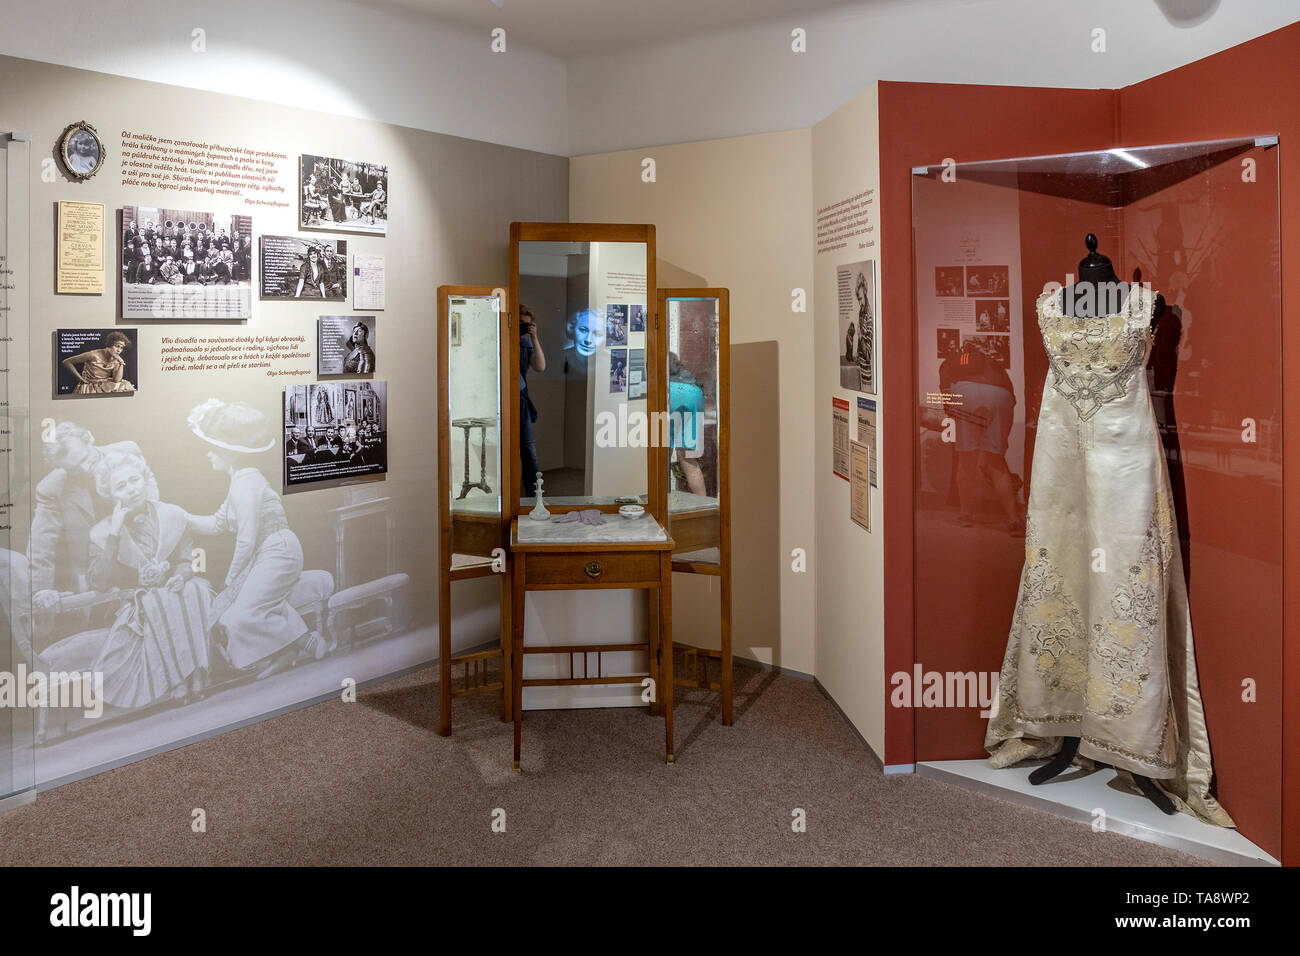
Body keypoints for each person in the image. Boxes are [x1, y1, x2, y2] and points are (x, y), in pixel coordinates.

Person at [184, 399, 325, 679]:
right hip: (266, 553)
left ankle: (305, 642)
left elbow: (246, 539)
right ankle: (282, 652)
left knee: (239, 615)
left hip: (278, 551)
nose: (209, 454)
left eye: (214, 448)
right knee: (228, 615)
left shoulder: (247, 481)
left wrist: (230, 578)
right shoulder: (238, 481)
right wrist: (177, 515)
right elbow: (216, 523)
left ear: (230, 453)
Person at [87, 450, 214, 707]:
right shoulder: (101, 533)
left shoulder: (172, 514)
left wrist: (181, 575)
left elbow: (186, 560)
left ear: (144, 480)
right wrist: (114, 532)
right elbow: (99, 582)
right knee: (158, 601)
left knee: (194, 590)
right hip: (133, 605)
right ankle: (177, 679)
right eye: (121, 486)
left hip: (173, 592)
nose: (131, 489)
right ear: (111, 496)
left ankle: (198, 673)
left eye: (134, 480)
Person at [29, 423, 156, 615]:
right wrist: (41, 589)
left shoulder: (128, 451)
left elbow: (152, 493)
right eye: (74, 468)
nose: (86, 469)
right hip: (98, 573)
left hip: (147, 556)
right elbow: (41, 540)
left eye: (86, 459)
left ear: (89, 437)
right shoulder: (51, 488)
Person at [668, 352, 707, 496]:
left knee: (661, 453)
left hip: (671, 392)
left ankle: (661, 503)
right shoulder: (684, 371)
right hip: (693, 393)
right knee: (688, 458)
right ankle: (703, 506)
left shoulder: (656, 359)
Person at [518, 304, 546, 497]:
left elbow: (540, 366)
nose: (524, 327)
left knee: (528, 451)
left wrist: (534, 337)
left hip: (521, 402)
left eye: (528, 325)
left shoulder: (525, 343)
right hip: (501, 401)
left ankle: (534, 497)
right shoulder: (499, 340)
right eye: (521, 323)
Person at [62, 330, 136, 394]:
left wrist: (121, 363)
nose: (119, 350)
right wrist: (80, 378)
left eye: (121, 347)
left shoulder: (117, 359)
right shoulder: (93, 355)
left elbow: (117, 380)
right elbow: (67, 362)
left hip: (105, 386)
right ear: (110, 344)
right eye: (117, 346)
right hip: (89, 386)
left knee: (124, 386)